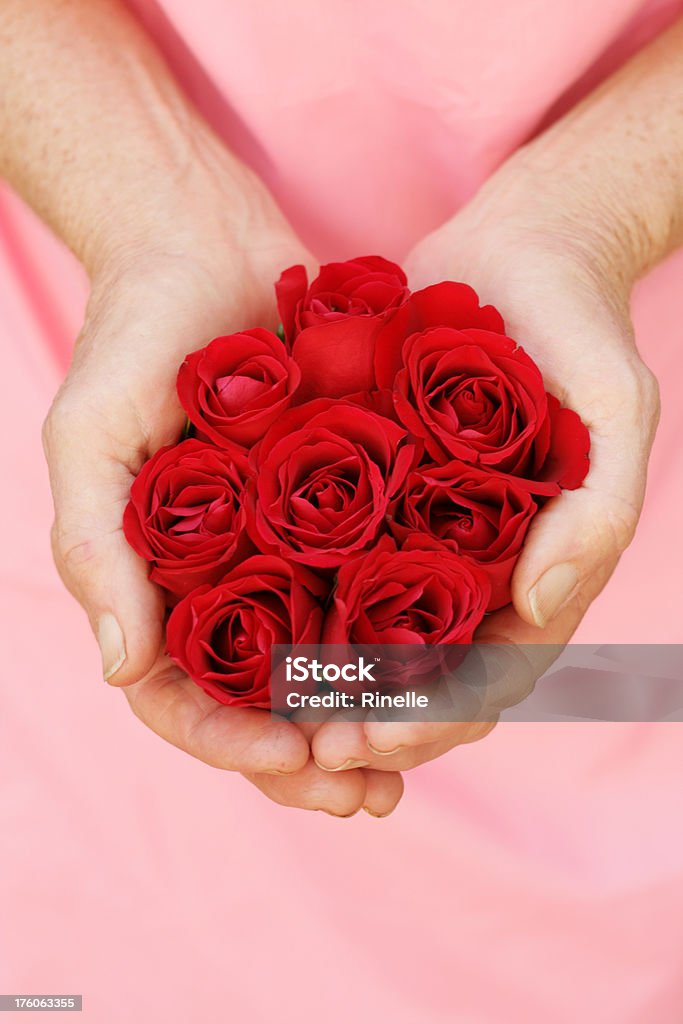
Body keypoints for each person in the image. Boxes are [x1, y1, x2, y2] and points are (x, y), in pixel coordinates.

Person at [1, 1, 683, 1018]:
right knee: (118, 913)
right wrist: (143, 202)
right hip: (104, 314)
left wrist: (601, 205)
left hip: (619, 371)